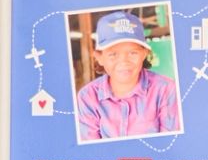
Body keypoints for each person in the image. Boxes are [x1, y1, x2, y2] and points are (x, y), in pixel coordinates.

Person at [76, 9, 182, 142]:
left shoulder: (166, 90)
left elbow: (169, 144)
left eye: (133, 53)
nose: (124, 61)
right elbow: (92, 150)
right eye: (113, 54)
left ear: (144, 53)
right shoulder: (88, 96)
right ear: (99, 57)